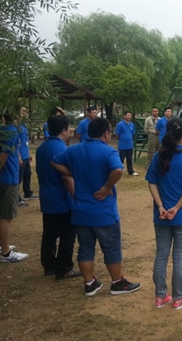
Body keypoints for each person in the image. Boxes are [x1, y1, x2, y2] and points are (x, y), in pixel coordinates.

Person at [52, 117, 141, 297]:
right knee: (111, 248)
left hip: (81, 211)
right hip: (103, 211)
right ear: (106, 133)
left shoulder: (74, 150)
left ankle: (89, 283)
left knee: (85, 247)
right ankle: (117, 282)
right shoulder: (108, 152)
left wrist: (73, 174)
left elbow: (55, 162)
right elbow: (118, 170)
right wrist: (107, 187)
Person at [146, 116, 182, 310]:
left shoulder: (158, 156)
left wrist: (161, 206)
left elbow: (152, 182)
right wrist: (176, 208)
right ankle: (178, 297)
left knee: (161, 255)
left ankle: (160, 296)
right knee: (179, 257)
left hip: (161, 216)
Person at [36, 114, 80, 279]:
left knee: (49, 233)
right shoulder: (62, 150)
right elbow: (67, 177)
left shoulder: (41, 148)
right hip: (61, 199)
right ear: (64, 130)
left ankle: (49, 265)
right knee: (68, 233)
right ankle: (64, 268)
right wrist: (76, 197)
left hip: (47, 197)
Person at [0, 112, 29, 262]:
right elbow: (2, 156)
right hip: (7, 178)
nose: (25, 114)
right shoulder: (12, 132)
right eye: (22, 112)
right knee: (7, 216)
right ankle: (6, 253)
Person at [18, 106, 37, 202]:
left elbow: (25, 141)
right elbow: (16, 143)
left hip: (25, 155)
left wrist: (28, 154)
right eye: (23, 111)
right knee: (19, 177)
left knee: (27, 174)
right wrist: (19, 157)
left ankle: (28, 193)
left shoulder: (24, 125)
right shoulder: (16, 127)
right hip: (20, 156)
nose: (25, 113)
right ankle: (16, 197)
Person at [115, 110, 138, 176]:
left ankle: (131, 171)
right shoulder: (120, 124)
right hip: (122, 146)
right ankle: (118, 170)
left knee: (129, 159)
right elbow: (117, 134)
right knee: (121, 159)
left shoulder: (132, 125)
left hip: (130, 145)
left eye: (130, 115)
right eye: (127, 115)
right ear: (124, 116)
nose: (129, 116)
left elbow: (133, 133)